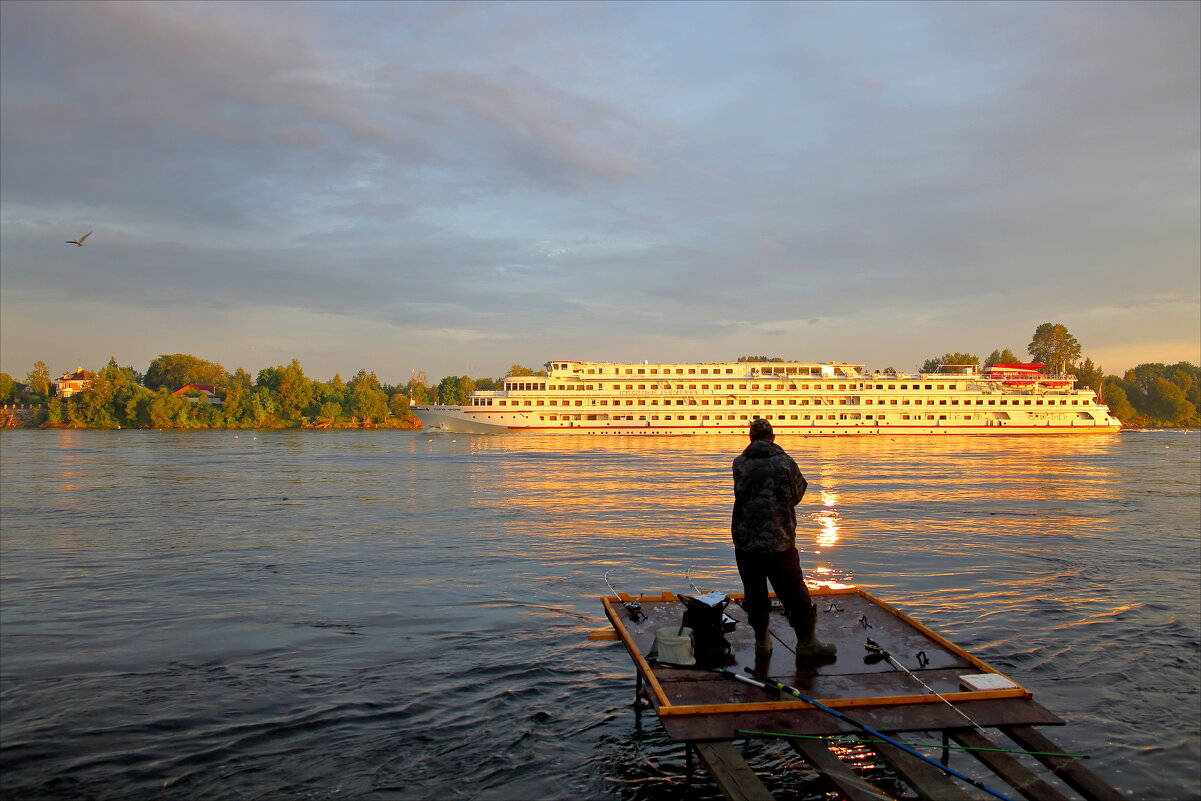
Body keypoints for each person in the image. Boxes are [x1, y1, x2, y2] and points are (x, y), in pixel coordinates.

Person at [731, 418, 837, 658]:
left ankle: (762, 642)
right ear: (773, 437)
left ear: (750, 437)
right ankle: (807, 643)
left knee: (754, 594)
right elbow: (798, 492)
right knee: (795, 593)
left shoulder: (739, 464)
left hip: (746, 543)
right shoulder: (785, 463)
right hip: (779, 541)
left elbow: (741, 494)